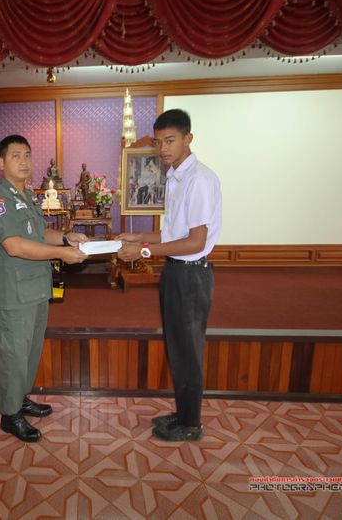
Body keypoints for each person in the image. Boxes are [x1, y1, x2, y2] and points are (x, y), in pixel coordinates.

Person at [116, 109, 222, 442]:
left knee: (188, 352)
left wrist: (143, 251)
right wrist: (138, 237)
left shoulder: (199, 180)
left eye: (170, 141)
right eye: (159, 142)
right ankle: (184, 413)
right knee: (178, 349)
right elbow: (173, 234)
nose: (162, 148)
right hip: (177, 272)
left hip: (191, 275)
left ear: (188, 139)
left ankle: (191, 424)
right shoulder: (176, 177)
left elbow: (196, 241)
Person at [0, 134, 89, 442]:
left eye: (27, 155)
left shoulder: (26, 195)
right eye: (15, 156)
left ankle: (20, 398)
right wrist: (61, 254)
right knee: (14, 355)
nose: (24, 161)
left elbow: (39, 233)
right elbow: (14, 246)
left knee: (29, 352)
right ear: (0, 163)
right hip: (13, 294)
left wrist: (67, 238)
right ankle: (9, 413)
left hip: (35, 289)